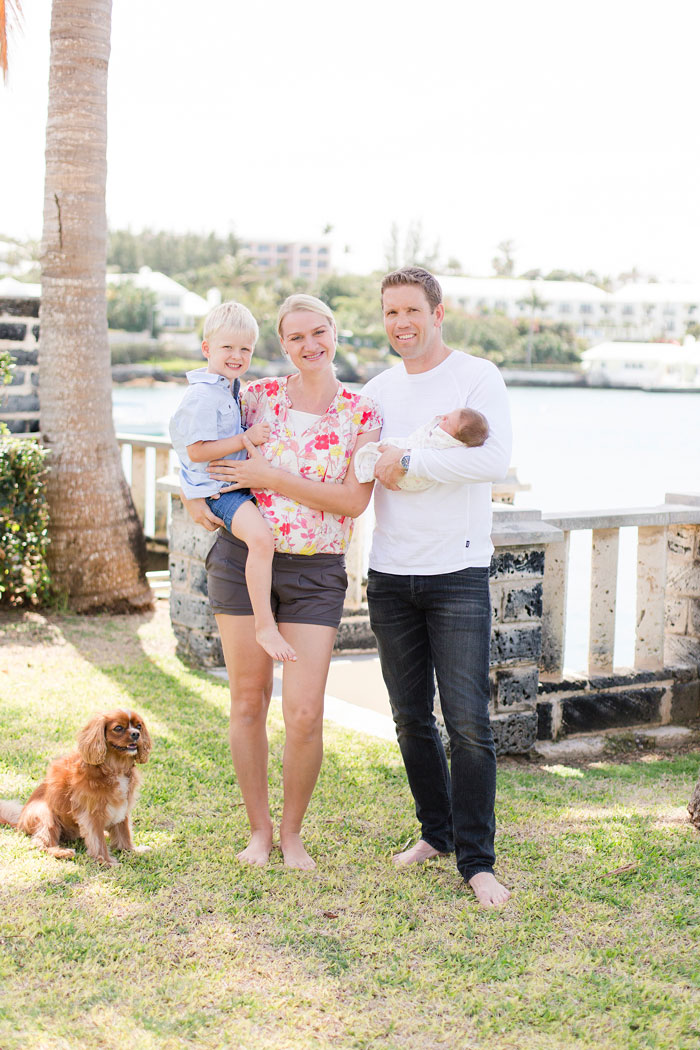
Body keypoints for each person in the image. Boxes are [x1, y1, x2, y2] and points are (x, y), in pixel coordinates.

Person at [182, 294, 382, 870]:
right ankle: (260, 832)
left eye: (318, 333)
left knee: (304, 713)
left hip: (317, 571)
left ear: (334, 333)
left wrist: (272, 476)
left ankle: (293, 834)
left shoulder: (361, 412)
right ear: (282, 344)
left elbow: (352, 500)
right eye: (294, 338)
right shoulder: (254, 396)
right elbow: (197, 445)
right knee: (247, 702)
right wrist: (194, 494)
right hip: (242, 560)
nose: (308, 345)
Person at [363, 267, 513, 908]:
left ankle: (477, 861)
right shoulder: (376, 388)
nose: (401, 324)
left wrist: (410, 460)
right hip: (390, 573)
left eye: (412, 312)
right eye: (391, 313)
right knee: (408, 718)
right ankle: (436, 832)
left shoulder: (477, 376)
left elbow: (491, 460)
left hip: (456, 573)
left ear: (438, 312)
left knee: (470, 725)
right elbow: (364, 464)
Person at [170, 300, 296, 663]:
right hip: (218, 490)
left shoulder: (229, 387)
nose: (237, 355)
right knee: (261, 540)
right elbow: (196, 451)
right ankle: (264, 624)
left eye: (245, 348)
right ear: (207, 349)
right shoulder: (202, 395)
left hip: (230, 484)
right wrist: (247, 438)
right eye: (227, 347)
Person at [353, 406, 489, 490]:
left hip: (413, 477)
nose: (444, 417)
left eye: (448, 422)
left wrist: (404, 458)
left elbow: (422, 445)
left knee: (382, 450)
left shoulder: (443, 441)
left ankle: (363, 465)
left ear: (455, 437)